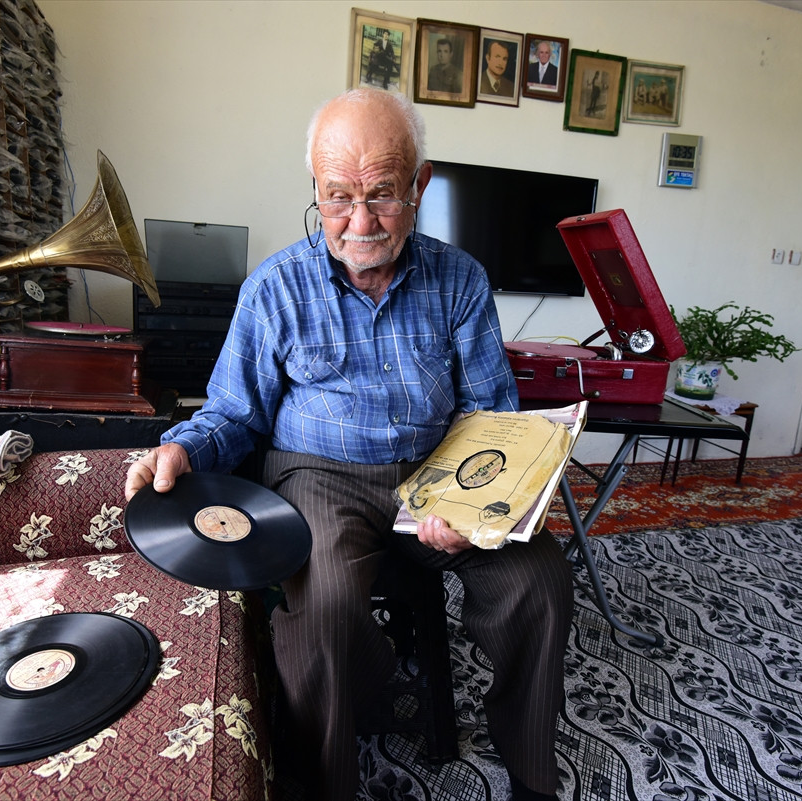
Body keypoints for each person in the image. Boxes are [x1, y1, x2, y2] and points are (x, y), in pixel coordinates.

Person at [124, 88, 573, 801]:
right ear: (315, 187)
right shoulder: (274, 287)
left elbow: (492, 413)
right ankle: (330, 764)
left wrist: (472, 503)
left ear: (420, 184)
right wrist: (182, 448)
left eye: (384, 195)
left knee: (539, 580)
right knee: (327, 607)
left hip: (439, 470)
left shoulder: (460, 279)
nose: (360, 223)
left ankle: (531, 775)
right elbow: (235, 412)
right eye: (337, 197)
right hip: (319, 474)